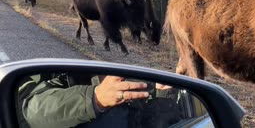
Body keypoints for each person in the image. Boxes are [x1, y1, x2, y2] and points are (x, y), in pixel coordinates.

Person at [17, 73, 181, 128]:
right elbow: (34, 109)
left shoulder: (136, 82)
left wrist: (164, 95)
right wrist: (94, 99)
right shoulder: (66, 78)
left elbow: (148, 122)